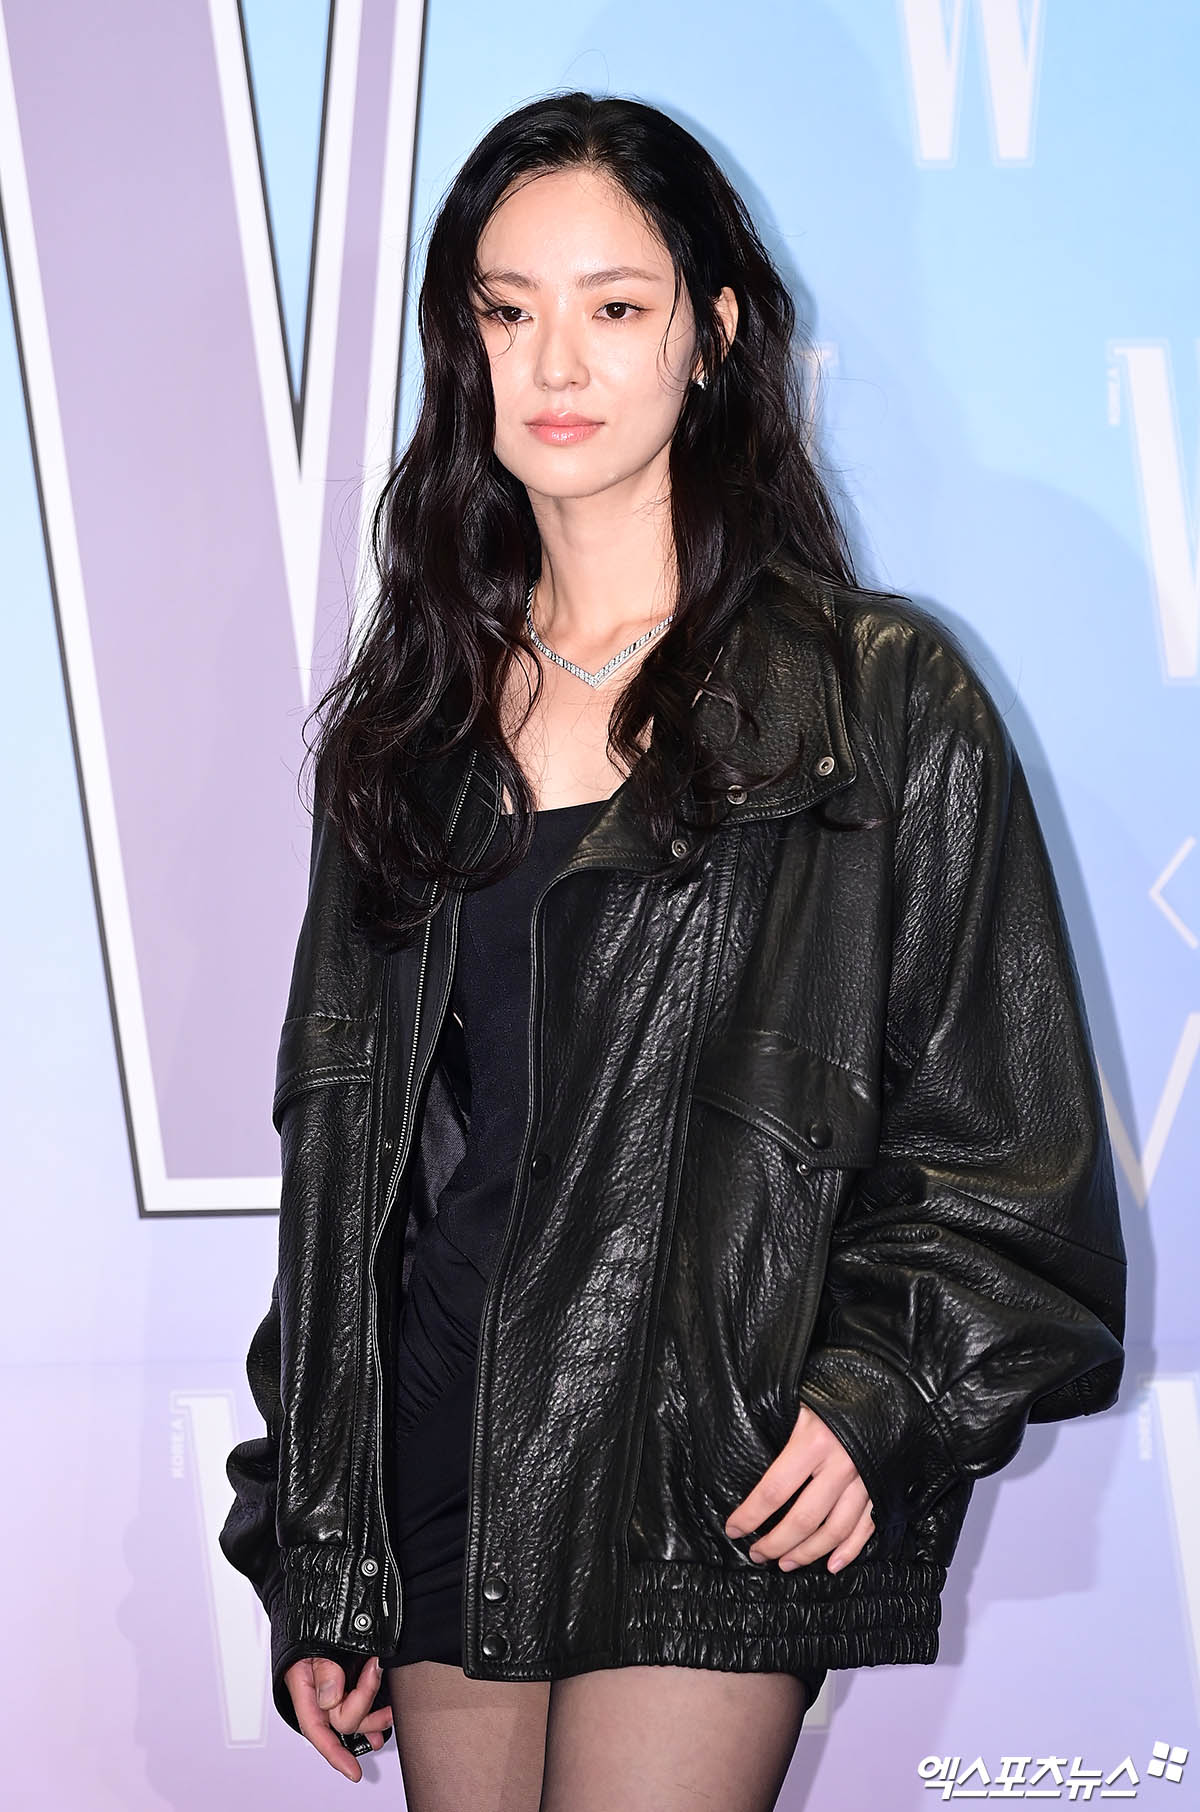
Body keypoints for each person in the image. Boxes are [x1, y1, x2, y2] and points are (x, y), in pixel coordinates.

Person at [219, 91, 1128, 1812]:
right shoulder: (408, 735)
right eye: (508, 310)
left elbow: (1015, 1162)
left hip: (710, 1467)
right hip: (444, 1461)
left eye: (615, 305)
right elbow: (352, 1179)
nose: (556, 359)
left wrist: (879, 1392)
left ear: (711, 335)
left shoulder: (875, 701)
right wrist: (312, 1532)